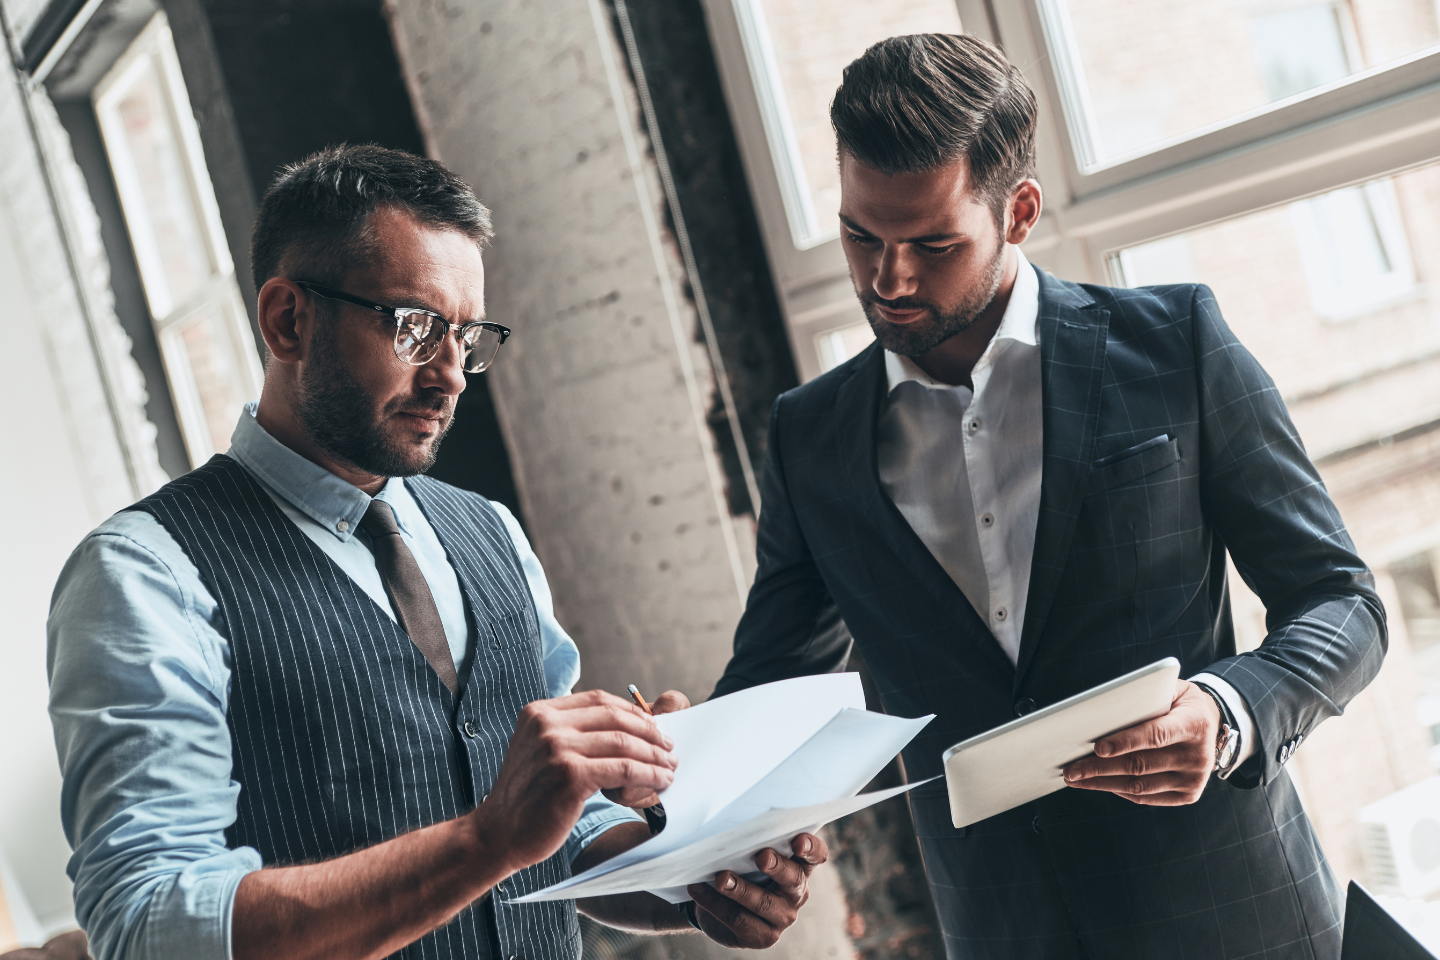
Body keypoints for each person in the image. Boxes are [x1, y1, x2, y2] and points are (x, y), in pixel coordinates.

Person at [46, 144, 827, 960]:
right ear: (288, 320)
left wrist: (695, 881)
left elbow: (566, 830)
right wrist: (487, 838)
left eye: (467, 335)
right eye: (415, 327)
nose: (451, 375)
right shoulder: (144, 575)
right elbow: (148, 926)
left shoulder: (490, 531)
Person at [709, 34, 1385, 960]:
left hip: (1238, 924)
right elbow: (768, 695)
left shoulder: (1175, 344)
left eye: (933, 243)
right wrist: (692, 797)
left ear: (1019, 211)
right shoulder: (808, 437)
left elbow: (1344, 604)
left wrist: (1228, 714)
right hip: (1001, 936)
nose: (887, 280)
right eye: (862, 235)